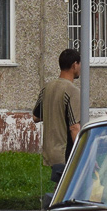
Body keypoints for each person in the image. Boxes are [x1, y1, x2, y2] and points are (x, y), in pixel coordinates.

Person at [35, 48, 81, 183]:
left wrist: (54, 111)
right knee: (70, 191)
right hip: (65, 152)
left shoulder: (47, 87)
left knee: (59, 190)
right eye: (80, 64)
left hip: (51, 153)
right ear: (74, 65)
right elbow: (74, 127)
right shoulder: (72, 91)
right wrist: (83, 153)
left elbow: (36, 117)